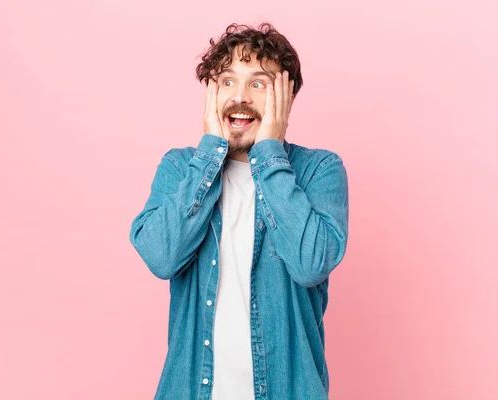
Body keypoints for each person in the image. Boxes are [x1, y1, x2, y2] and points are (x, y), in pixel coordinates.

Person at [130, 22, 349, 400]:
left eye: (259, 83)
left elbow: (311, 263)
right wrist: (210, 152)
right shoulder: (181, 168)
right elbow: (161, 257)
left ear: (287, 97)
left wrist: (268, 153)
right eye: (227, 82)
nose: (240, 96)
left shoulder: (319, 171)